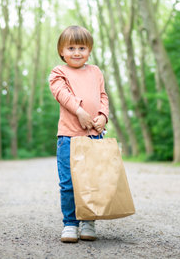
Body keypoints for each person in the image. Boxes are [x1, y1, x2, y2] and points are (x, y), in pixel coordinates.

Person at [49, 25, 109, 243]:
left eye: (82, 48)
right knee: (69, 183)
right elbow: (62, 94)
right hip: (69, 137)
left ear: (89, 50)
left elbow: (103, 96)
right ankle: (70, 224)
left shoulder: (95, 72)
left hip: (94, 136)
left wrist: (103, 115)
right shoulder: (59, 72)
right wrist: (80, 112)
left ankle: (88, 222)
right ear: (62, 51)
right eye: (71, 48)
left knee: (91, 181)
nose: (76, 52)